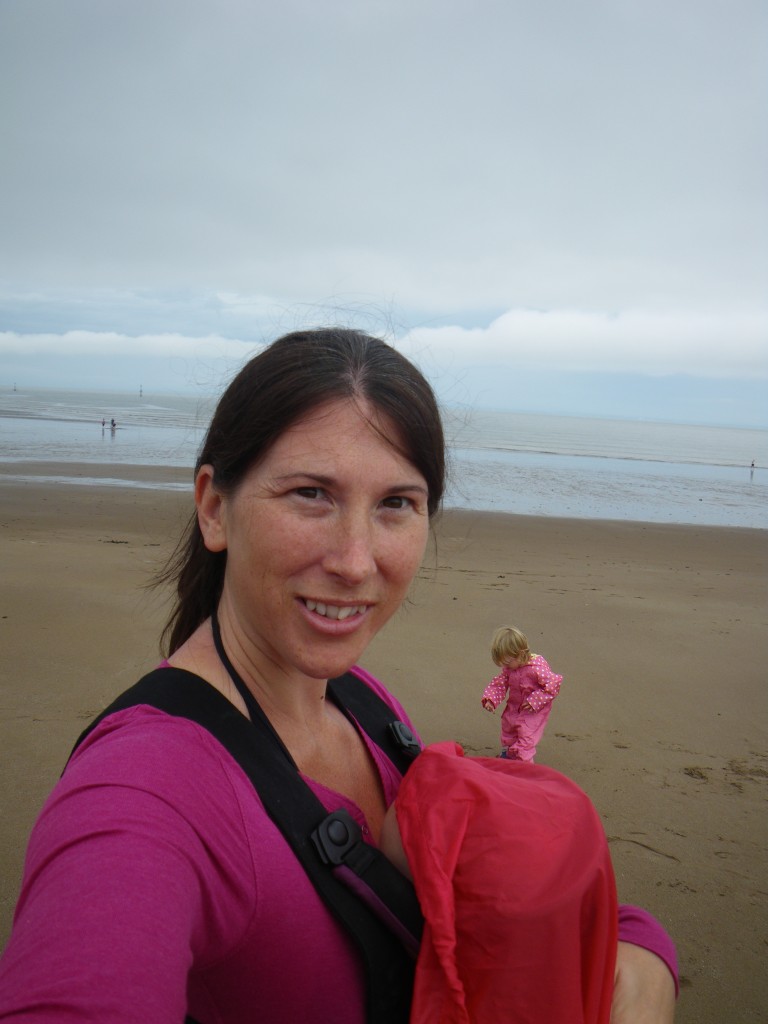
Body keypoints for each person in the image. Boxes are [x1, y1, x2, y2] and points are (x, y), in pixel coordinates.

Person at [0, 328, 676, 1022]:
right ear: (213, 507)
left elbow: (497, 886)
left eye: (396, 504)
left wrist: (644, 954)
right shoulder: (144, 790)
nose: (356, 562)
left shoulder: (365, 705)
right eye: (311, 494)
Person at [481, 624, 562, 761]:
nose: (505, 666)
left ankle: (524, 761)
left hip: (534, 708)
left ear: (520, 654)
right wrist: (491, 699)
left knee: (526, 733)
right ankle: (508, 752)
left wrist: (535, 700)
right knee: (508, 725)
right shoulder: (510, 668)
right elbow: (500, 683)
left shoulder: (536, 668)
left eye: (507, 662)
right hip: (516, 704)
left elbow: (553, 685)